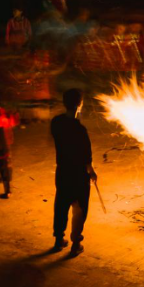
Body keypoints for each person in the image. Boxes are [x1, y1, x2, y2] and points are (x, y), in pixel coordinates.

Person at [50, 89, 98, 257]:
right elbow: (87, 157)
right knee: (79, 208)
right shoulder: (80, 130)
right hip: (78, 174)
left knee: (61, 205)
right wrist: (92, 172)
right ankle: (75, 243)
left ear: (64, 103)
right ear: (80, 104)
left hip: (63, 171)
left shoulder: (56, 123)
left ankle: (58, 240)